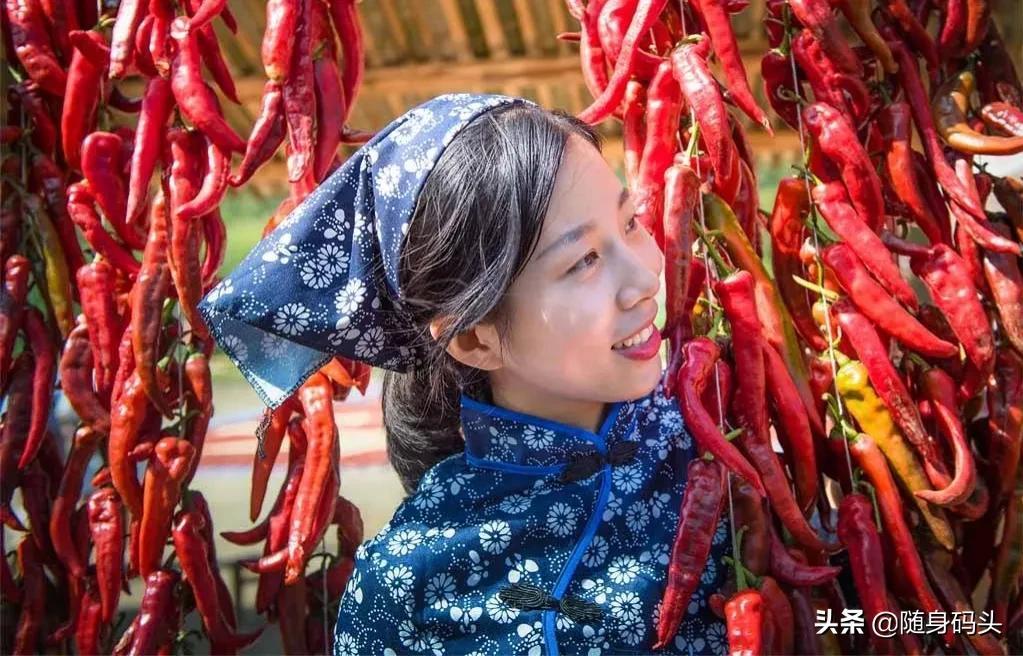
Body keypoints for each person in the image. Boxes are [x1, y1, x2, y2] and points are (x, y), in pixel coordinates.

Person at [199, 93, 731, 655]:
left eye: (631, 222)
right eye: (584, 261)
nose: (645, 278)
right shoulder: (408, 582)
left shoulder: (724, 450)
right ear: (476, 338)